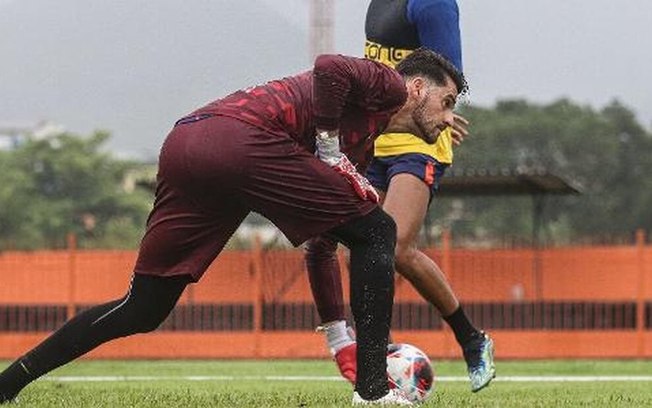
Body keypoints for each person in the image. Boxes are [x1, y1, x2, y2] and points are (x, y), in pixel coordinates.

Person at [0, 48, 466, 405]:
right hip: (238, 140)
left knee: (142, 308)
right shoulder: (387, 86)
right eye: (447, 103)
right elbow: (329, 66)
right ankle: (372, 391)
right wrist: (326, 146)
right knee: (380, 231)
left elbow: (321, 248)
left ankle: (9, 382)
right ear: (419, 87)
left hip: (188, 142)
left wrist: (338, 339)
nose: (449, 120)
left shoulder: (361, 146)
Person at [306, 0, 496, 393]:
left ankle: (471, 339)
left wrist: (444, 114)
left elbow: (449, 77)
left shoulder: (433, 4)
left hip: (420, 143)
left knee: (393, 246)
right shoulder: (377, 6)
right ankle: (381, 356)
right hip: (378, 137)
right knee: (356, 247)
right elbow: (377, 71)